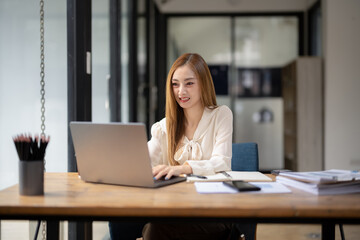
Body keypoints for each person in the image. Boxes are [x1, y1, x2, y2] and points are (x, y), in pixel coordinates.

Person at [109, 53, 233, 240]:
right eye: (175, 84)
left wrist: (180, 168)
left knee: (155, 230)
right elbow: (144, 161)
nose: (181, 91)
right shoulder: (164, 127)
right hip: (174, 208)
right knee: (126, 221)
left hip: (213, 210)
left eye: (189, 83)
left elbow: (221, 162)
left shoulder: (221, 115)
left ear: (203, 84)